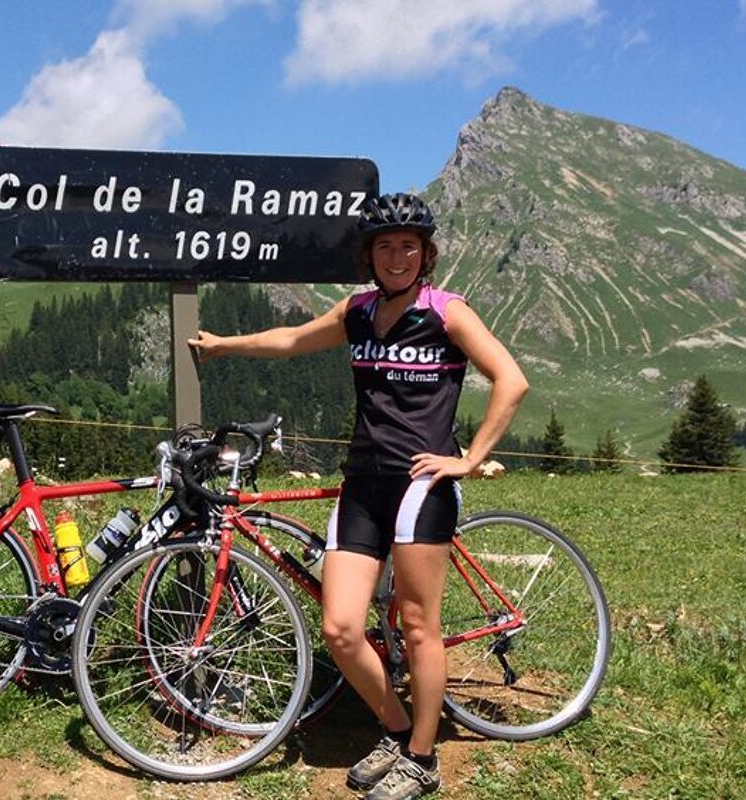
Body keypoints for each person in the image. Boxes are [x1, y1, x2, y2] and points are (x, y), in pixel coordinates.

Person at [188, 192, 528, 800]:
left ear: (425, 255)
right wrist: (224, 346)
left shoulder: (447, 312)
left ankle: (423, 759)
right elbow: (293, 340)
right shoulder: (358, 310)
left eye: (408, 246)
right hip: (363, 483)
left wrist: (470, 458)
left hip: (422, 486)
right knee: (342, 629)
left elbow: (512, 378)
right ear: (369, 255)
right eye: (385, 246)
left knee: (421, 627)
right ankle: (396, 734)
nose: (397, 255)